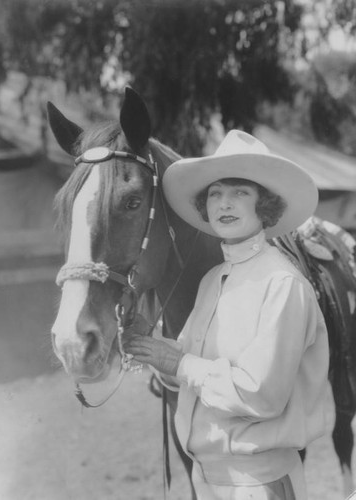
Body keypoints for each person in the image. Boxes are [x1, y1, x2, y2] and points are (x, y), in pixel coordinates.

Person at [124, 130, 329, 500]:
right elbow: (185, 372)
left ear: (264, 205)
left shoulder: (282, 284)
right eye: (215, 194)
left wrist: (181, 362)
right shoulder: (213, 280)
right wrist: (149, 345)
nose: (224, 203)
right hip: (209, 480)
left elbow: (262, 396)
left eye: (240, 192)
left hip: (257, 485)